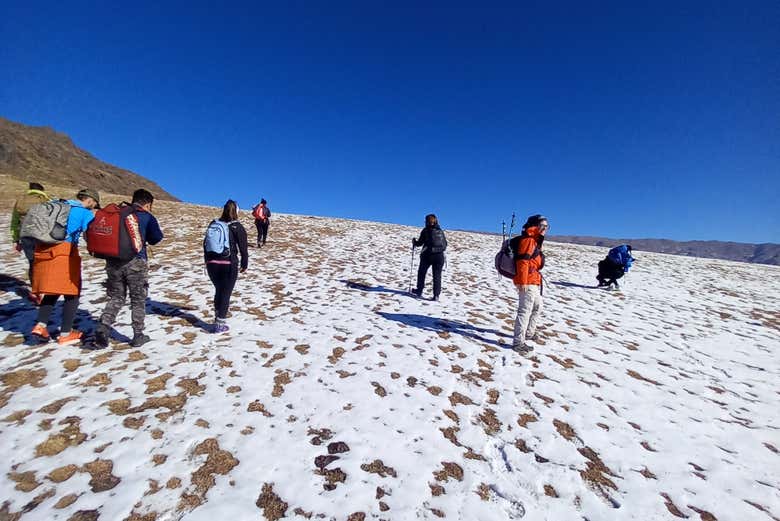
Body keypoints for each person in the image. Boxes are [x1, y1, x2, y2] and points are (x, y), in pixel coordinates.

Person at [93, 189, 164, 348]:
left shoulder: (119, 214)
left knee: (117, 297)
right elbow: (156, 238)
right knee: (138, 299)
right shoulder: (146, 217)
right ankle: (138, 334)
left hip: (113, 262)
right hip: (136, 263)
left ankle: (104, 326)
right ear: (148, 204)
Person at [30, 189, 100, 345]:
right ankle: (65, 333)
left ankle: (41, 325)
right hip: (66, 251)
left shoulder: (58, 204)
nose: (94, 207)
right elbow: (90, 235)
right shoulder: (84, 213)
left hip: (45, 248)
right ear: (90, 200)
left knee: (53, 288)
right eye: (94, 204)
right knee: (72, 292)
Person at [204, 199, 248, 332]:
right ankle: (220, 324)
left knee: (219, 290)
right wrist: (244, 263)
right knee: (226, 293)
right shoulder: (237, 227)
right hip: (228, 263)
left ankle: (218, 317)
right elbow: (243, 248)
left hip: (212, 264)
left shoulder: (214, 224)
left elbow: (205, 244)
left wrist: (207, 261)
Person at [512, 214, 549, 355]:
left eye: (547, 226)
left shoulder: (535, 240)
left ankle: (529, 332)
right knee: (524, 310)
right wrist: (522, 282)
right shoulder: (528, 240)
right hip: (527, 282)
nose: (545, 229)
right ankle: (518, 342)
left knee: (538, 307)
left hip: (533, 280)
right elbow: (522, 262)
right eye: (542, 226)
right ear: (535, 226)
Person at [10, 182, 49, 296]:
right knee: (43, 261)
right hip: (41, 235)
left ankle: (35, 290)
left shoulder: (20, 201)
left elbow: (14, 221)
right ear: (41, 190)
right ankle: (44, 287)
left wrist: (15, 240)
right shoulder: (44, 200)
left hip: (25, 235)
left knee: (32, 262)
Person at [411, 214, 448, 301]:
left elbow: (420, 243)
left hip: (427, 255)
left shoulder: (425, 231)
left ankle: (419, 291)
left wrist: (414, 242)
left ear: (427, 222)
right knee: (437, 276)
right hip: (439, 256)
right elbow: (445, 244)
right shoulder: (440, 231)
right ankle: (436, 295)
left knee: (422, 273)